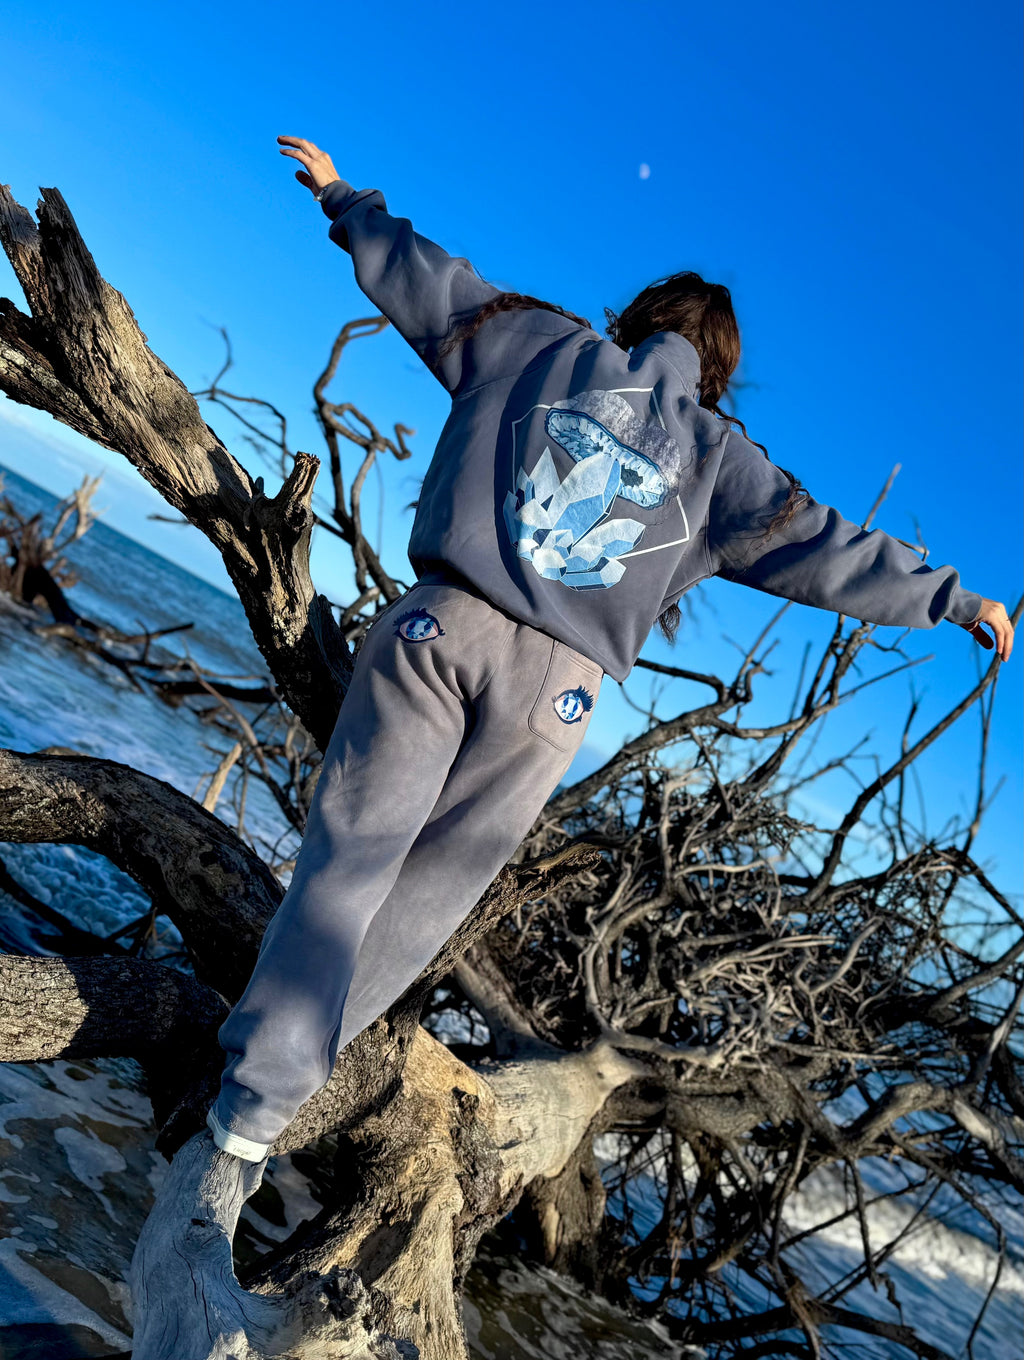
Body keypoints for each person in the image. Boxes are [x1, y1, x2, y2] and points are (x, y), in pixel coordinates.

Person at [205, 135, 1014, 1163]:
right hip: (557, 698)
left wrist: (343, 199)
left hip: (441, 623)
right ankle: (261, 1122)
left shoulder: (533, 340)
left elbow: (429, 280)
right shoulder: (723, 462)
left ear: (635, 316)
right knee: (422, 902)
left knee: (348, 864)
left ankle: (249, 1092)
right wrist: (953, 596)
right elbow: (828, 549)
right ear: (716, 372)